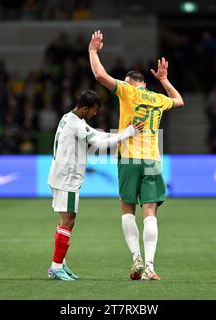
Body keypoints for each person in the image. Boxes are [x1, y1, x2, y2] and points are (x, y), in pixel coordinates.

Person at [88, 30, 185, 280]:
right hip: (153, 159)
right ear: (144, 83)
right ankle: (150, 267)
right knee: (150, 212)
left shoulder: (128, 92)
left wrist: (92, 51)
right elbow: (180, 101)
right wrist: (164, 79)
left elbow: (99, 75)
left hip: (130, 158)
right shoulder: (157, 98)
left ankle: (136, 258)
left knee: (127, 210)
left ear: (130, 83)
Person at [47, 89, 144, 280]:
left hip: (63, 176)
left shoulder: (72, 119)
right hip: (66, 178)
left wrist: (125, 132)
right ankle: (55, 267)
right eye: (93, 110)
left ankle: (60, 264)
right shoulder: (76, 124)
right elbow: (99, 145)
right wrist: (127, 134)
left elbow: (99, 136)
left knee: (66, 220)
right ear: (84, 108)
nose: (95, 113)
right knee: (68, 221)